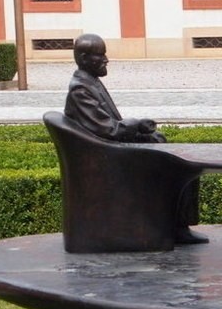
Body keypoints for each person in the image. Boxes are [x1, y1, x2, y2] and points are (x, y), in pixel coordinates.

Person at [64, 33, 207, 244]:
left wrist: (142, 132)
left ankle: (174, 226)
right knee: (183, 167)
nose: (106, 60)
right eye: (100, 55)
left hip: (108, 150)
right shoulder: (80, 90)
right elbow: (109, 129)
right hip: (106, 159)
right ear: (84, 59)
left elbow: (107, 127)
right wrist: (136, 125)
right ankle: (176, 228)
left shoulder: (90, 82)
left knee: (166, 146)